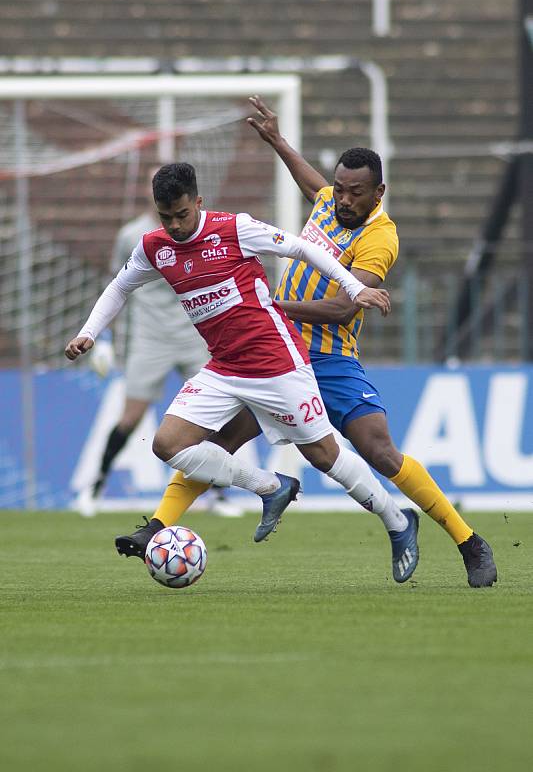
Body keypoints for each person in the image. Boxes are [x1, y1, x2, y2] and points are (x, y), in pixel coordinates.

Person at [144, 100, 497, 589]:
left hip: (329, 357)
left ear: (379, 192)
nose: (343, 200)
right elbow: (314, 184)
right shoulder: (330, 202)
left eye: (355, 193)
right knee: (218, 440)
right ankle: (158, 528)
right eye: (340, 190)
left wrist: (264, 307)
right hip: (273, 351)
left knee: (380, 452)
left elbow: (342, 308)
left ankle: (467, 541)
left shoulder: (380, 238)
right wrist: (277, 141)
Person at [65, 162, 422, 583]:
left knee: (324, 455)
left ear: (197, 202)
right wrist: (89, 333)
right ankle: (271, 486)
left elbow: (302, 248)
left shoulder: (235, 229)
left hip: (277, 363)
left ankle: (398, 521)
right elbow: (120, 286)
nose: (176, 226)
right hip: (223, 368)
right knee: (168, 444)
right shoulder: (153, 247)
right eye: (167, 218)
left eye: (182, 215)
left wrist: (354, 288)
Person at [74, 170, 236, 517]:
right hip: (151, 337)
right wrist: (101, 335)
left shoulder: (204, 230)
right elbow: (117, 284)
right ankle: (95, 487)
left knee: (215, 418)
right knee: (130, 417)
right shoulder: (134, 236)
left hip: (194, 333)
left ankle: (219, 494)